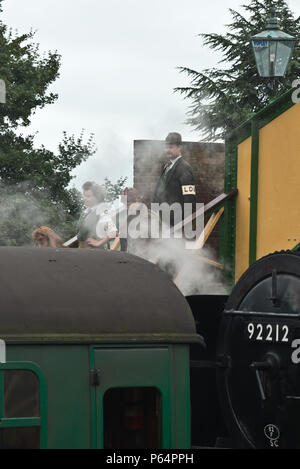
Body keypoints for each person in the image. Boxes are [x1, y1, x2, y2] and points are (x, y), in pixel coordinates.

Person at [152, 132, 196, 229]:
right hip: (161, 220)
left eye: (171, 147)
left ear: (179, 147)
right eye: (166, 147)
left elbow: (189, 198)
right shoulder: (166, 166)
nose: (167, 150)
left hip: (176, 221)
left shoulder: (184, 168)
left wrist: (185, 223)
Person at [78, 181, 117, 249]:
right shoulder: (86, 212)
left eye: (88, 196)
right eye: (84, 195)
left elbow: (113, 232)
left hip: (94, 254)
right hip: (82, 250)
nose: (85, 198)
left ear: (97, 197)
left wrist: (99, 243)